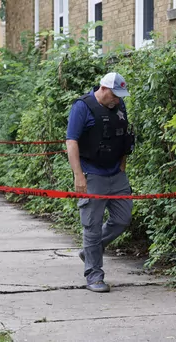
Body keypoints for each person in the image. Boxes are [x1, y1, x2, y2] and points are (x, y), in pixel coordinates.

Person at [66, 72, 134, 293]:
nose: (117, 99)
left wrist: (122, 168)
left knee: (123, 219)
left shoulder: (120, 106)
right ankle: (94, 275)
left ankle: (90, 250)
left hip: (116, 173)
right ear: (104, 89)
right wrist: (79, 175)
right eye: (115, 95)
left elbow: (124, 138)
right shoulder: (82, 107)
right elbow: (72, 141)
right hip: (92, 173)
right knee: (92, 227)